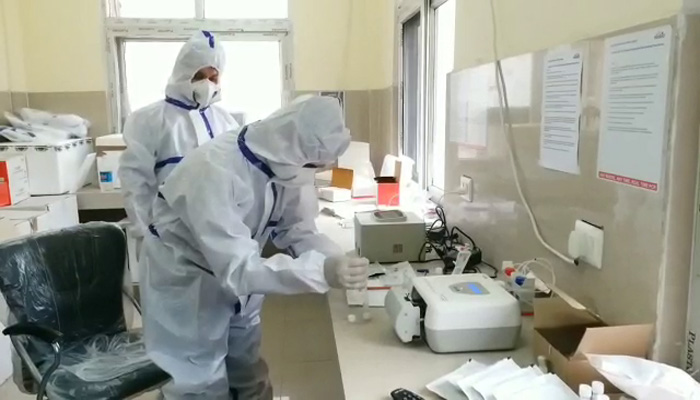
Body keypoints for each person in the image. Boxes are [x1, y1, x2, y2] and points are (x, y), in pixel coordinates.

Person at [140, 95, 368, 399]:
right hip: (186, 281)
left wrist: (337, 260)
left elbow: (296, 229)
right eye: (314, 165)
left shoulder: (286, 161)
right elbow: (238, 269)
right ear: (291, 150)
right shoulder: (213, 171)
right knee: (198, 383)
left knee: (247, 370)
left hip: (242, 278)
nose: (314, 173)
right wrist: (321, 271)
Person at [119, 30, 238, 239]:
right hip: (166, 236)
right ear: (183, 72)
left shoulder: (226, 122)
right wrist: (146, 233)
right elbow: (135, 183)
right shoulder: (148, 120)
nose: (207, 84)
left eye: (213, 78)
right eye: (199, 76)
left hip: (217, 236)